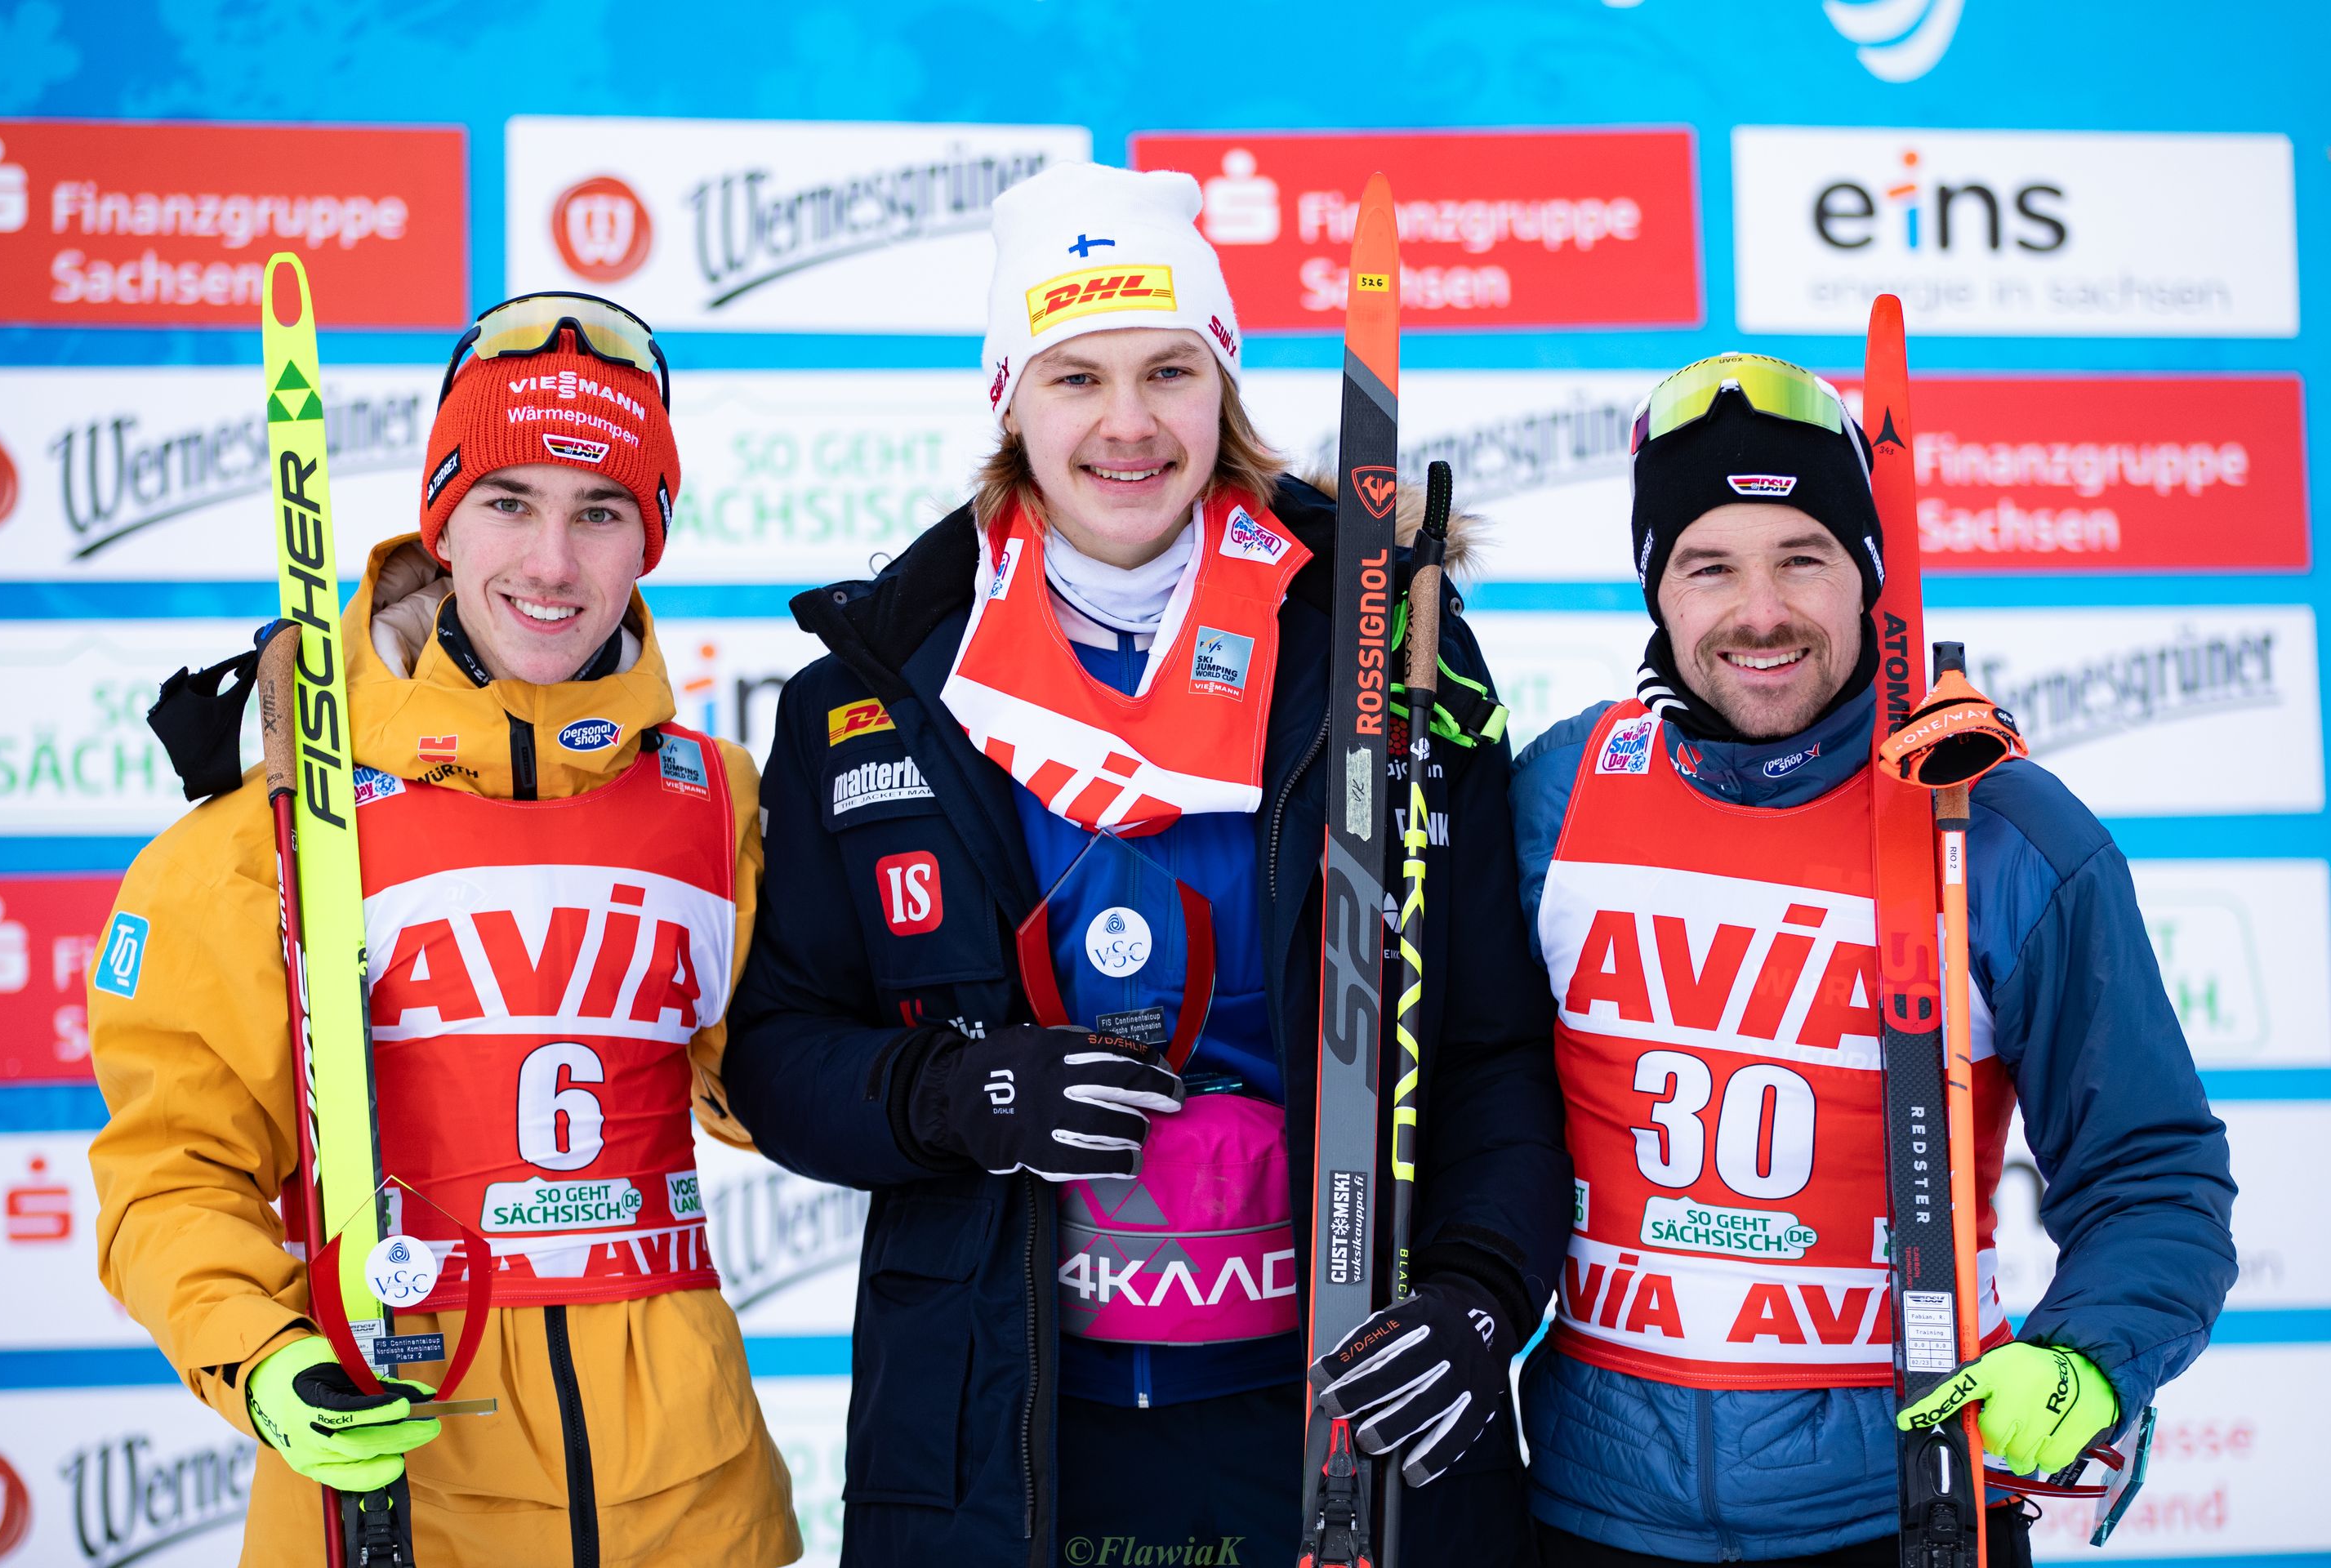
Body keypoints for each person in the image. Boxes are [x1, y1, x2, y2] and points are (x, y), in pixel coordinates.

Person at [720, 161, 1567, 1566]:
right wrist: (963, 1091)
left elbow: (1486, 1044)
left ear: (1221, 384)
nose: (1128, 424)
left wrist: (1481, 1289)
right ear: (1010, 398)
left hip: (1336, 1419)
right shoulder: (875, 693)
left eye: (1169, 370)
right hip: (1014, 1438)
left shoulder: (1383, 653)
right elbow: (779, 1056)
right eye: (1076, 378)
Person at [87, 293, 802, 1567]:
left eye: (601, 512)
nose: (550, 562)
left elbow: (779, 1085)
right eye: (509, 502)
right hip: (402, 1486)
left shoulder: (721, 802)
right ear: (442, 518)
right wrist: (261, 1360)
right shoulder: (273, 834)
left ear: (652, 540)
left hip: (697, 1504)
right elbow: (171, 1175)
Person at [1501, 354, 2237, 1566]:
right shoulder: (1558, 798)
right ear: (1656, 590)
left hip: (1909, 1505)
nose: (1761, 612)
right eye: (1710, 566)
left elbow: (2153, 1171)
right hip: (1589, 1509)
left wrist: (2087, 1364)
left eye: (1804, 558)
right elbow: (1472, 1099)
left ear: (1867, 578)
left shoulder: (2002, 833)